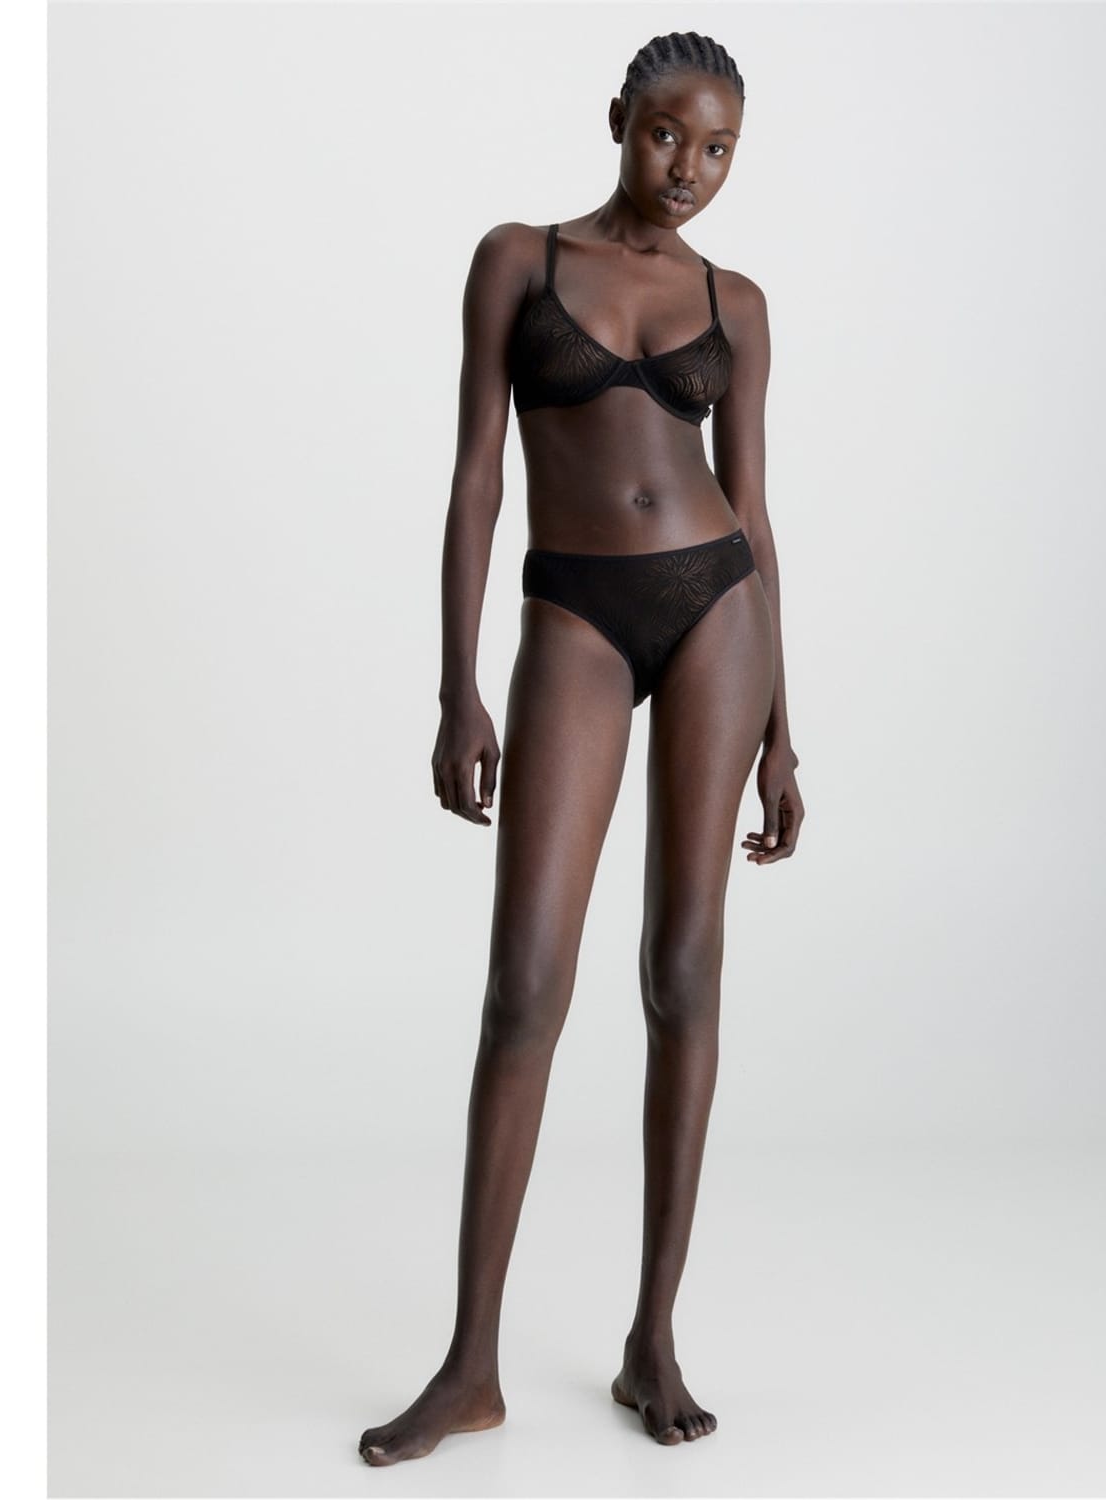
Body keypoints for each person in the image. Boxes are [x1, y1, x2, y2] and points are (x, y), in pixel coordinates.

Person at [360, 30, 803, 1466]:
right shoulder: (520, 261)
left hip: (717, 609)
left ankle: (652, 1339)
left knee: (683, 972)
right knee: (525, 989)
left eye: (720, 149)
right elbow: (477, 480)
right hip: (577, 614)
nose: (691, 170)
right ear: (619, 117)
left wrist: (786, 732)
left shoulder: (736, 303)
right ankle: (470, 1365)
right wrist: (457, 687)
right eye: (670, 135)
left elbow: (755, 512)